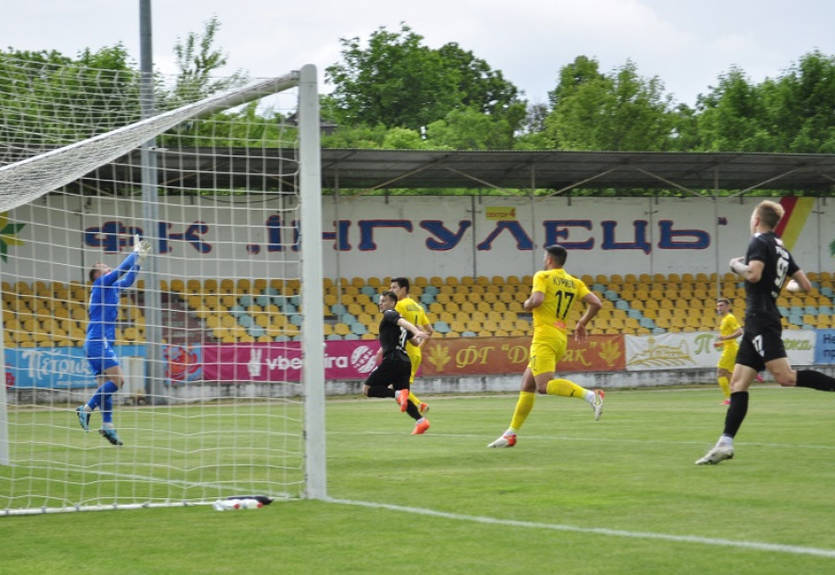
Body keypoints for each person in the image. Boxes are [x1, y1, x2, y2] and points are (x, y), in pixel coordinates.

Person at [696, 200, 835, 465]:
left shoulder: (758, 241)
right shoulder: (781, 247)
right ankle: (725, 443)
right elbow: (805, 284)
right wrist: (781, 287)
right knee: (738, 384)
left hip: (761, 319)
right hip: (756, 321)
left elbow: (753, 274)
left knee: (785, 377)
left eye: (752, 218)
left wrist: (734, 264)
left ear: (757, 220)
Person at [488, 244, 604, 448]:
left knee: (543, 386)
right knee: (527, 384)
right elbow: (596, 303)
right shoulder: (574, 282)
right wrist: (581, 323)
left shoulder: (542, 276)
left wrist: (526, 304)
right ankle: (510, 434)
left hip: (544, 336)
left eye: (544, 257)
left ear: (549, 259)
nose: (543, 260)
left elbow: (537, 299)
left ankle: (591, 396)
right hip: (560, 337)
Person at [76, 234, 151, 446]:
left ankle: (108, 426)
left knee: (106, 386)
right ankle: (86, 408)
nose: (108, 268)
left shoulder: (111, 288)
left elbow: (127, 279)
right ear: (98, 274)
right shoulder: (100, 284)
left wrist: (140, 261)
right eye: (104, 266)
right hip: (99, 341)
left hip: (95, 342)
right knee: (119, 381)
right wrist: (135, 252)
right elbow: (121, 271)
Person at [362, 290, 430, 435]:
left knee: (368, 389)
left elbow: (402, 322)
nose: (381, 303)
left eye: (384, 300)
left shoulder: (389, 314)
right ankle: (421, 421)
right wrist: (418, 333)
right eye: (380, 301)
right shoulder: (399, 323)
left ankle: (398, 393)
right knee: (403, 398)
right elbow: (416, 344)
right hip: (405, 361)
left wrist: (414, 330)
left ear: (393, 303)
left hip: (393, 359)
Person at [390, 277, 433, 415]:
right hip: (415, 353)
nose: (391, 290)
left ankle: (420, 406)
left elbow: (396, 325)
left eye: (394, 287)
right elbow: (430, 331)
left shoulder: (399, 305)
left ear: (403, 289)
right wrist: (419, 347)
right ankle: (419, 409)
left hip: (404, 351)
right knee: (399, 387)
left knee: (396, 388)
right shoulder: (417, 306)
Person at [713, 298, 742, 405]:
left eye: (721, 305)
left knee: (720, 372)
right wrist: (720, 343)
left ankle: (729, 398)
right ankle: (735, 396)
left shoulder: (730, 318)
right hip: (729, 347)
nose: (719, 308)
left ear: (728, 307)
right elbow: (730, 338)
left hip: (731, 349)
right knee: (729, 375)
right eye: (718, 306)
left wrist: (724, 338)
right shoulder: (724, 319)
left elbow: (740, 332)